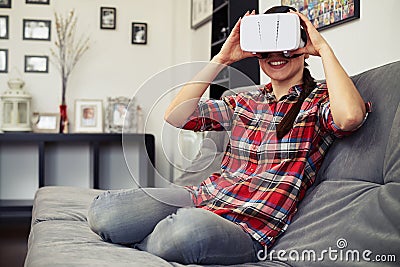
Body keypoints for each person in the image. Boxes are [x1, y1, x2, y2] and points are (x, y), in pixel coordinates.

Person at [87, 6, 370, 265]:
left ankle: (148, 240)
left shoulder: (319, 101)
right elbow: (176, 116)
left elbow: (350, 117)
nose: (275, 56)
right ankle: (154, 241)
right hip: (202, 198)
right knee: (106, 213)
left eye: (284, 46)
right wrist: (222, 58)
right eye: (266, 48)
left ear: (302, 46)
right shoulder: (244, 101)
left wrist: (323, 48)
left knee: (186, 229)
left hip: (247, 228)